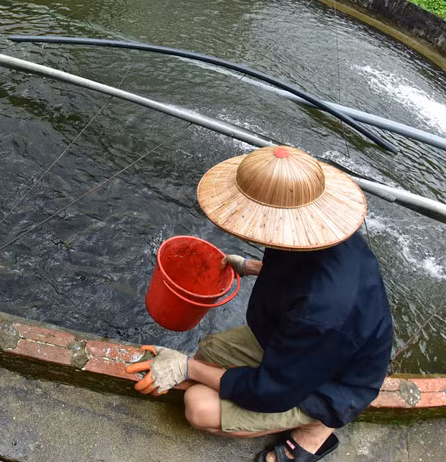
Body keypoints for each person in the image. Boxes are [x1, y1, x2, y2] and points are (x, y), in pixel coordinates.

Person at [127, 146, 393, 462]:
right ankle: (230, 384)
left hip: (333, 379)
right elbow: (304, 272)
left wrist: (186, 367)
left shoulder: (322, 311)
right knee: (211, 349)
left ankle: (317, 425)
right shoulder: (318, 230)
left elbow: (272, 390)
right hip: (301, 341)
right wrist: (252, 266)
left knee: (199, 404)